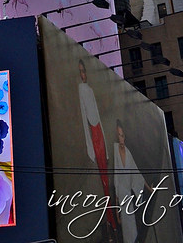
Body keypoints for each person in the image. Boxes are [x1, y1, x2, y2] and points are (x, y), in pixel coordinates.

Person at [77, 59, 116, 239]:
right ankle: (110, 221)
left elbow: (97, 115)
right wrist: (89, 147)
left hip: (99, 132)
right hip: (92, 134)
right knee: (103, 181)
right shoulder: (81, 89)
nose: (83, 75)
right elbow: (86, 117)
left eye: (84, 71)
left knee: (107, 179)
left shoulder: (90, 89)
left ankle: (112, 221)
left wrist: (106, 149)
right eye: (81, 72)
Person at [113, 119, 152, 243]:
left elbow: (136, 173)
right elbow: (116, 183)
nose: (121, 139)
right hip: (122, 199)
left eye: (122, 135)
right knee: (126, 232)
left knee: (132, 229)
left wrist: (149, 188)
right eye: (119, 135)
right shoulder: (115, 150)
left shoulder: (128, 153)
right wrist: (117, 212)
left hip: (128, 198)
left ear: (125, 136)